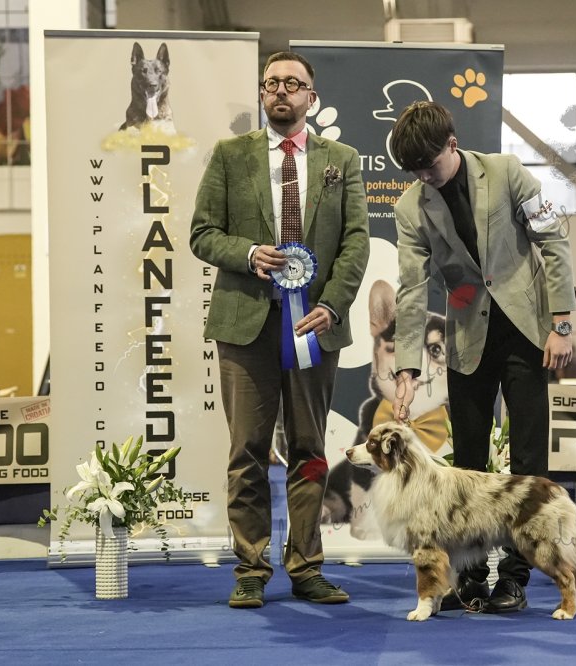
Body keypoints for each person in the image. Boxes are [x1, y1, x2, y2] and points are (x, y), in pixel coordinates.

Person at [190, 51, 370, 608]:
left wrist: (333, 305)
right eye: (271, 84)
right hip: (245, 326)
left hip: (314, 327)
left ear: (311, 97)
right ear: (263, 94)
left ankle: (307, 567)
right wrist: (247, 253)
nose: (280, 92)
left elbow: (355, 241)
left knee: (310, 449)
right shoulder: (230, 156)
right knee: (246, 450)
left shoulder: (342, 160)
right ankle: (250, 568)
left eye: (293, 84)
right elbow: (201, 233)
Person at [389, 101, 576, 614]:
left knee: (529, 462)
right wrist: (406, 368)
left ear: (452, 144)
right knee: (467, 465)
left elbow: (553, 241)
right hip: (467, 338)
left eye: (429, 165)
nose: (424, 177)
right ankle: (469, 577)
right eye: (413, 171)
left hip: (526, 333)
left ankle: (515, 579)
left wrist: (560, 324)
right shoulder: (410, 208)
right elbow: (411, 289)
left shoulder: (506, 172)